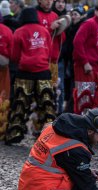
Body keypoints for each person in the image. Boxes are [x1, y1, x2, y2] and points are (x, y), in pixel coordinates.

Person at [5, 7, 55, 144]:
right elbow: (49, 52)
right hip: (43, 71)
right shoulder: (45, 31)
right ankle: (50, 135)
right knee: (46, 105)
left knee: (20, 103)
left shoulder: (19, 32)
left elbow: (14, 56)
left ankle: (15, 132)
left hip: (25, 72)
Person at [0, 12, 13, 140]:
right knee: (3, 97)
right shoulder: (7, 31)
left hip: (3, 68)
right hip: (4, 67)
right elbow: (12, 52)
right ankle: (1, 131)